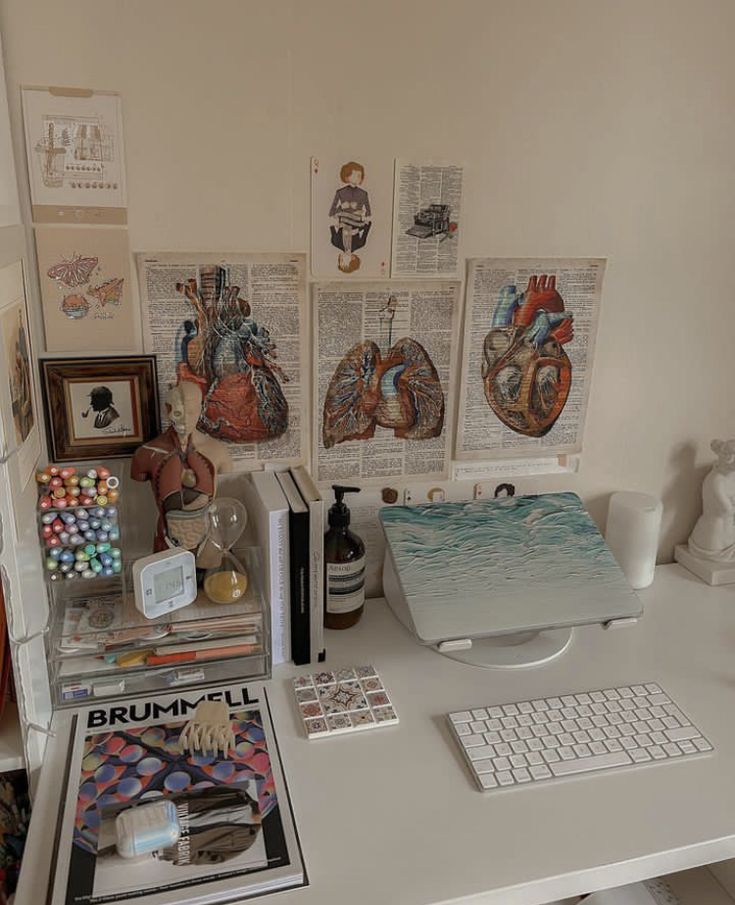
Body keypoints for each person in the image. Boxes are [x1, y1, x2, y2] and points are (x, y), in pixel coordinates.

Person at [329, 161, 371, 273]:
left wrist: (362, 214)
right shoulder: (340, 192)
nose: (359, 177)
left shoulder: (335, 242)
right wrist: (341, 207)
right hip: (352, 220)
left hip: (354, 220)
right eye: (356, 175)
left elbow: (368, 212)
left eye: (360, 175)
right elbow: (331, 213)